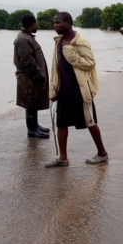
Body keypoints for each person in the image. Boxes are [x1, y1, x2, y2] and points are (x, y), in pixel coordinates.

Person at [46, 12, 108, 167]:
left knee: (90, 121)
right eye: (54, 23)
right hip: (64, 90)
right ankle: (63, 158)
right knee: (61, 123)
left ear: (68, 22)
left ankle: (102, 153)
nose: (55, 26)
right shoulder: (58, 42)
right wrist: (53, 90)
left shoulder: (80, 43)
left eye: (58, 23)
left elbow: (90, 63)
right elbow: (55, 68)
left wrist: (72, 55)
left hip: (80, 91)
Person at [13, 14, 50, 139]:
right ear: (32, 24)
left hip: (32, 78)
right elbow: (27, 61)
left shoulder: (27, 37)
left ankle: (35, 126)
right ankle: (32, 129)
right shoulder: (23, 39)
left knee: (33, 102)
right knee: (30, 102)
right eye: (36, 23)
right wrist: (39, 76)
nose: (37, 25)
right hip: (28, 79)